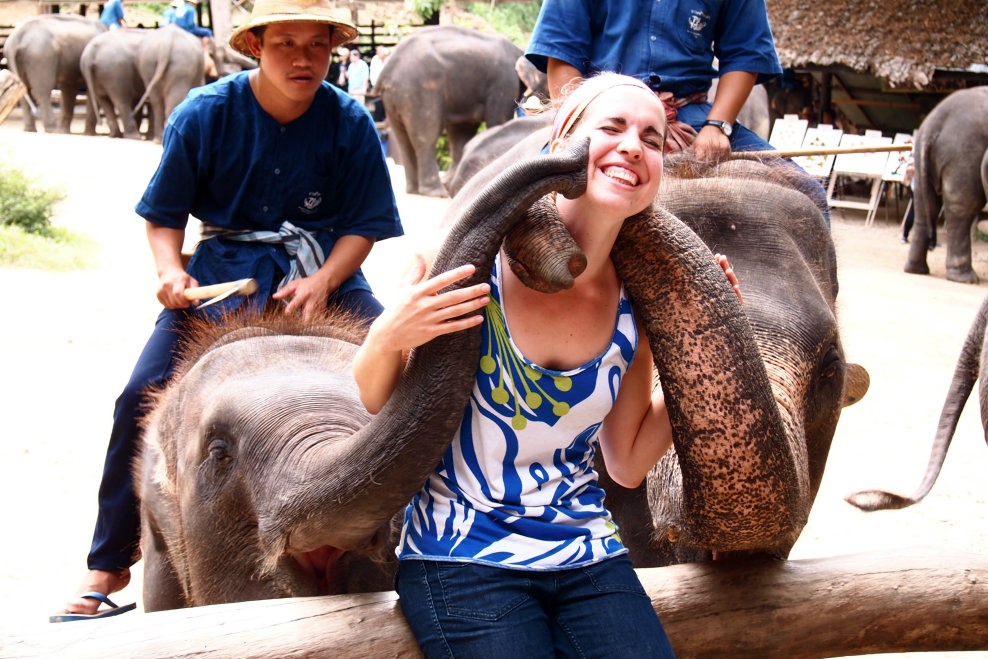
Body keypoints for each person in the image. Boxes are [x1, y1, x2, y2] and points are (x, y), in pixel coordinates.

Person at [353, 72, 739, 659]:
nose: (633, 146)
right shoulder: (471, 258)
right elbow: (376, 399)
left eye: (652, 139)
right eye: (610, 128)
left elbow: (628, 462)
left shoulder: (635, 303)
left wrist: (699, 346)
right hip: (460, 555)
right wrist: (386, 335)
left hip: (587, 554)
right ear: (563, 138)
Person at [56, 0, 402, 620]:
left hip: (323, 269)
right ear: (256, 47)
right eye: (285, 44)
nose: (303, 59)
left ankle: (449, 538)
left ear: (332, 49)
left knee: (416, 372)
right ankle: (107, 566)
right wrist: (170, 271)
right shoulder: (205, 114)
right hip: (224, 277)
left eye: (317, 45)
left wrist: (324, 279)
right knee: (140, 393)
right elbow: (164, 218)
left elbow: (365, 226)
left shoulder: (349, 120)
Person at [525, 0, 830, 223]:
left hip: (691, 115)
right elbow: (561, 51)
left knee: (808, 194)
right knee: (524, 201)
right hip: (603, 111)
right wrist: (576, 125)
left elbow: (746, 54)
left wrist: (718, 126)